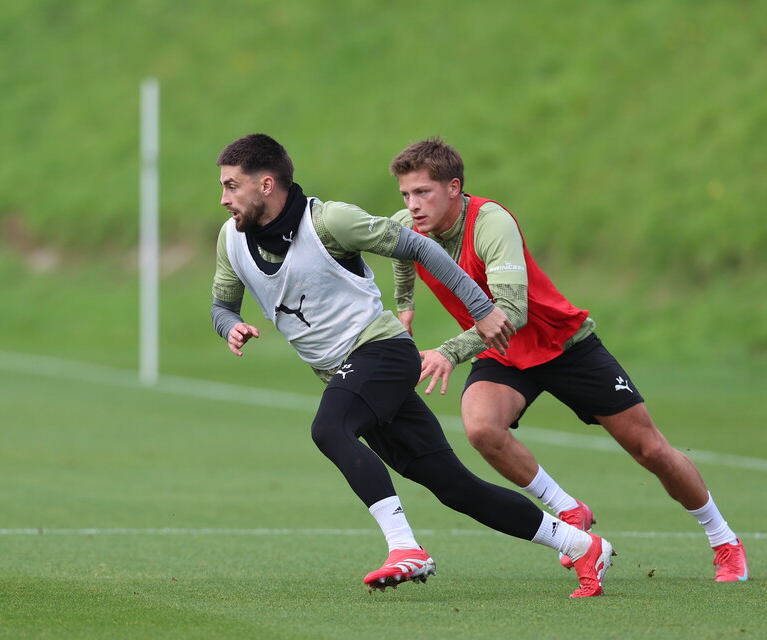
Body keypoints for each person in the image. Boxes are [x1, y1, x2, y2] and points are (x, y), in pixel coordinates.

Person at [210, 133, 616, 598]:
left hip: (381, 353)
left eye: (231, 186)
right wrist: (231, 327)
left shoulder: (330, 221)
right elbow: (222, 306)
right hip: (348, 373)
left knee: (329, 428)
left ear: (265, 185)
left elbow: (420, 247)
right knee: (456, 487)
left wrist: (481, 308)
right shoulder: (232, 239)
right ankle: (582, 545)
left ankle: (405, 547)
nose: (223, 199)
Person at [386, 137, 748, 582]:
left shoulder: (490, 223)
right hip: (501, 352)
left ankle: (724, 540)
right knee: (481, 427)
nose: (413, 204)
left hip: (564, 345)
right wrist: (406, 306)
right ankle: (569, 510)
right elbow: (401, 252)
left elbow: (511, 313)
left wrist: (447, 351)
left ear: (455, 187)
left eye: (423, 192)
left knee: (650, 449)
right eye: (406, 194)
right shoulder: (407, 224)